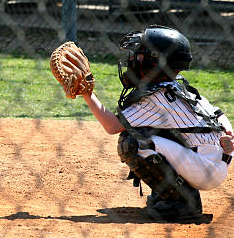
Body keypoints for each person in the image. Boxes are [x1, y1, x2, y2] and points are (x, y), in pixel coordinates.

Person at [77, 25, 233, 221]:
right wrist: (228, 134)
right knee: (148, 131)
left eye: (139, 55)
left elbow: (112, 126)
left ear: (155, 64)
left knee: (132, 143)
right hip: (211, 159)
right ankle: (171, 193)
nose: (132, 59)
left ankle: (182, 202)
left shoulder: (155, 97)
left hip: (204, 166)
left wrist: (88, 95)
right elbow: (219, 114)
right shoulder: (175, 85)